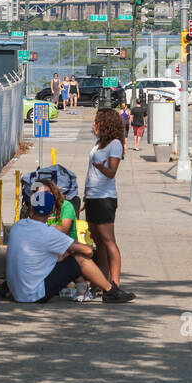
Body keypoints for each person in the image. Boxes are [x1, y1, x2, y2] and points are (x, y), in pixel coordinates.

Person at [6, 187, 135, 303]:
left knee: (62, 255)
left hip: (16, 291)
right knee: (80, 259)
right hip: (35, 294)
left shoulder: (18, 226)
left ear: (31, 208)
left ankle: (92, 287)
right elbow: (88, 251)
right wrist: (70, 245)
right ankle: (110, 290)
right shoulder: (49, 233)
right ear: (51, 211)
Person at [84, 107, 127, 289]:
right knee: (97, 240)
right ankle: (102, 280)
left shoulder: (115, 144)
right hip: (93, 197)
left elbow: (111, 172)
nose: (94, 124)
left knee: (108, 240)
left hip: (104, 198)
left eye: (97, 121)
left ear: (106, 123)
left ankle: (114, 283)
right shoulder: (99, 142)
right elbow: (91, 172)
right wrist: (86, 196)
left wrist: (101, 168)